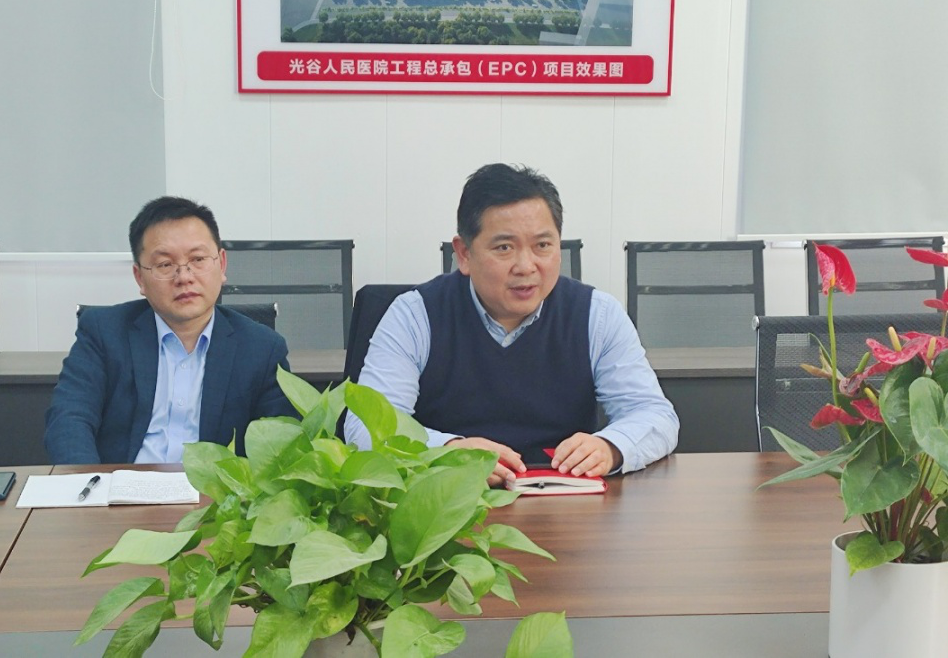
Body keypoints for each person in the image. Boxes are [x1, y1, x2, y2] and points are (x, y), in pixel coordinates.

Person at [345, 163, 678, 486]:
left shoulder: (598, 315)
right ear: (464, 254)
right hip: (446, 502)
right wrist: (448, 450)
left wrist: (611, 446)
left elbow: (655, 415)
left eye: (542, 246)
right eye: (504, 247)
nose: (526, 266)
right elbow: (366, 426)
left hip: (565, 501)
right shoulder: (414, 316)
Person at [44, 196, 295, 464]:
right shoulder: (103, 332)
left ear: (221, 264)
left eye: (198, 259)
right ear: (140, 278)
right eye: (165, 264)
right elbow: (69, 420)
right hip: (123, 485)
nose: (184, 277)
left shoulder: (262, 348)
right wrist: (92, 483)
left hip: (216, 489)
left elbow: (279, 447)